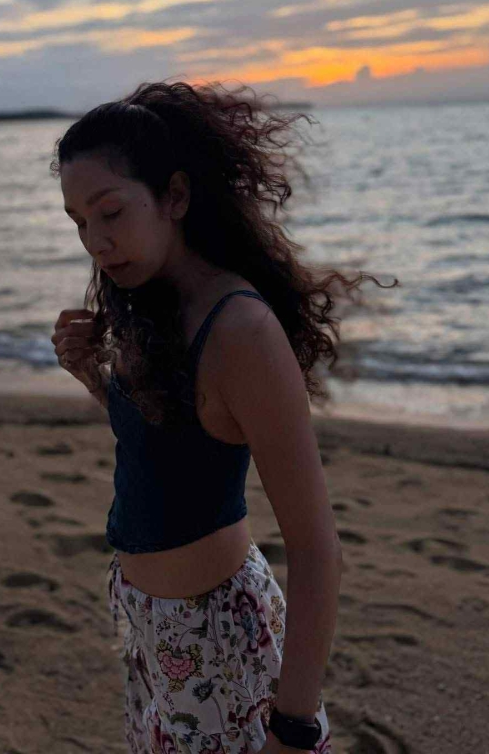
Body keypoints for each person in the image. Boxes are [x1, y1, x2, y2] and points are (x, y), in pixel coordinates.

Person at [50, 80, 396, 754]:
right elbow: (165, 448)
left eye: (110, 211)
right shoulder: (150, 303)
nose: (96, 240)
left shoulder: (241, 330)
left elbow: (317, 547)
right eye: (79, 222)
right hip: (152, 637)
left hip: (220, 643)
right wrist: (92, 374)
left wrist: (293, 726)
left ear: (175, 196)